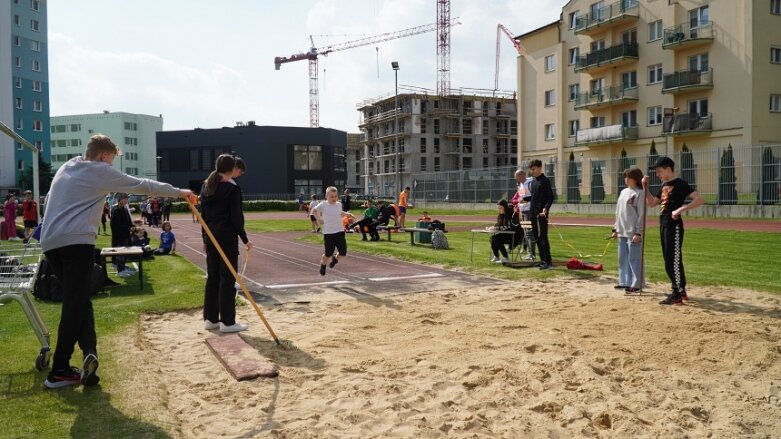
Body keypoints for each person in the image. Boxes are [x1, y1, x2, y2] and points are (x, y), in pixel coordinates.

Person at [39, 134, 191, 389]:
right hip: (76, 242)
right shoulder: (99, 171)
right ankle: (59, 370)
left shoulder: (69, 166)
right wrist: (179, 192)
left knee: (79, 300)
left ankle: (90, 352)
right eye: (111, 160)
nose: (111, 166)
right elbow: (142, 185)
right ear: (103, 156)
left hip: (52, 241)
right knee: (74, 304)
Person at [200, 154, 253, 333]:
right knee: (227, 278)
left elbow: (203, 217)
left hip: (211, 237)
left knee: (213, 277)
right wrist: (245, 239)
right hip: (226, 238)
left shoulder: (207, 186)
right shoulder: (231, 190)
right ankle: (227, 322)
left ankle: (210, 318)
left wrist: (204, 239)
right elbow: (236, 218)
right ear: (231, 169)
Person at [643, 156, 704, 305]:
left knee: (672, 260)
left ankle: (677, 293)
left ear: (668, 169)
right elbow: (651, 203)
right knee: (669, 260)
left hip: (674, 226)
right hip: (664, 225)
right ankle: (680, 290)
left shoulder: (680, 184)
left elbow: (699, 199)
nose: (657, 174)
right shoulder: (664, 185)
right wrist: (645, 187)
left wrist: (682, 209)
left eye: (659, 171)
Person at [612, 168, 646, 294]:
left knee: (634, 259)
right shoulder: (623, 192)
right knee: (623, 259)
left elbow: (641, 215)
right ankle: (624, 281)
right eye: (625, 176)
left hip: (633, 232)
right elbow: (618, 212)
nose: (626, 179)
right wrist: (615, 228)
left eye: (628, 176)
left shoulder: (640, 193)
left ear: (635, 178)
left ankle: (636, 283)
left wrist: (639, 232)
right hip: (622, 231)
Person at [314, 186, 356, 276]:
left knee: (343, 253)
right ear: (327, 196)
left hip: (340, 232)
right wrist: (319, 219)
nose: (334, 198)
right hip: (328, 233)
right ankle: (323, 264)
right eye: (331, 196)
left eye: (335, 196)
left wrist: (348, 214)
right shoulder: (323, 204)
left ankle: (335, 260)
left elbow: (340, 213)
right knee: (328, 254)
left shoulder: (338, 204)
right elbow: (313, 210)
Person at [528, 159, 555, 269]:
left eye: (534, 169)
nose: (532, 171)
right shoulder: (533, 181)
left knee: (543, 237)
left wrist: (545, 208)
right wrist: (524, 199)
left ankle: (548, 262)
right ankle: (543, 260)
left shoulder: (545, 181)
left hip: (541, 215)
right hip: (533, 214)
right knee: (536, 238)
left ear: (539, 168)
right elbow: (534, 197)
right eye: (531, 170)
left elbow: (550, 197)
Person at [511, 169, 535, 260]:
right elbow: (521, 198)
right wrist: (518, 205)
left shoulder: (530, 182)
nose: (516, 179)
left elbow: (534, 196)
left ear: (522, 175)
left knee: (529, 232)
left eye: (516, 177)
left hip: (529, 211)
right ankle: (530, 253)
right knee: (526, 232)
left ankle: (532, 254)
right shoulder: (521, 185)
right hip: (523, 211)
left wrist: (524, 201)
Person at [110, 193, 135, 277]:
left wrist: (132, 226)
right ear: (119, 199)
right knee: (119, 253)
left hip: (125, 235)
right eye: (124, 199)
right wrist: (128, 227)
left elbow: (128, 221)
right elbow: (115, 225)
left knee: (124, 253)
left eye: (127, 199)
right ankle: (120, 270)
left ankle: (123, 267)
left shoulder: (124, 209)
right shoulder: (115, 209)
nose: (126, 200)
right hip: (119, 236)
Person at [489, 199, 515, 264]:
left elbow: (509, 227)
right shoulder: (500, 215)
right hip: (505, 234)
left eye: (500, 208)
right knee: (492, 238)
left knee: (497, 239)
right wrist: (492, 227)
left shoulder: (510, 214)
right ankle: (496, 256)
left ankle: (506, 258)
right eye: (498, 208)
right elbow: (498, 225)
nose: (499, 209)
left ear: (505, 207)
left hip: (513, 236)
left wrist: (497, 228)